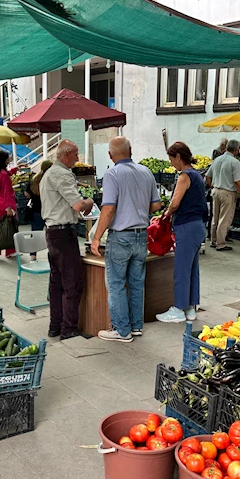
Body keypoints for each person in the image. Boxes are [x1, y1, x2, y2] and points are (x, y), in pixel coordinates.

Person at [90, 137, 161, 342]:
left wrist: (96, 238)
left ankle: (122, 331)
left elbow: (109, 208)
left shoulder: (112, 174)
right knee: (137, 283)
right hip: (141, 235)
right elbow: (156, 205)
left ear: (110, 155)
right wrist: (138, 210)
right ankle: (136, 326)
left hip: (121, 237)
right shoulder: (145, 171)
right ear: (131, 150)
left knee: (116, 284)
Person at [40, 140, 94, 340]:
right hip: (63, 233)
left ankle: (55, 326)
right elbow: (78, 205)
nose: (78, 159)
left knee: (57, 282)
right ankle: (68, 329)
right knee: (72, 282)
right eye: (76, 154)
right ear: (66, 155)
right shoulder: (62, 174)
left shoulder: (49, 173)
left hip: (52, 232)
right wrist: (90, 201)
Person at [156, 142, 208, 323]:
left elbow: (175, 202)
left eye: (172, 160)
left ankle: (178, 308)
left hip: (186, 226)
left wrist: (165, 215)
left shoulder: (184, 176)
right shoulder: (197, 175)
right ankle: (190, 309)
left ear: (179, 157)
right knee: (192, 269)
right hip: (198, 226)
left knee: (181, 270)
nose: (171, 164)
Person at [205, 139, 240, 251]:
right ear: (237, 149)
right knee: (224, 219)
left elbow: (207, 176)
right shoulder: (235, 162)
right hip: (227, 193)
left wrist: (212, 186)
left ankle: (213, 241)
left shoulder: (217, 159)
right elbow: (238, 181)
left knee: (215, 217)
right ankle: (220, 243)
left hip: (216, 191)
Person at [0, 150, 18, 261]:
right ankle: (10, 251)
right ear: (4, 160)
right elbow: (7, 191)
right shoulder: (4, 175)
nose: (9, 160)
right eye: (8, 158)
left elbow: (4, 177)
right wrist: (9, 207)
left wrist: (14, 170)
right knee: (10, 226)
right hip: (6, 204)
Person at [24, 160, 53, 261]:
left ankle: (33, 255)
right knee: (52, 234)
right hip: (49, 210)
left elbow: (26, 194)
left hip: (36, 210)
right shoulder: (50, 179)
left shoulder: (34, 179)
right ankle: (53, 254)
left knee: (35, 234)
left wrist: (34, 196)